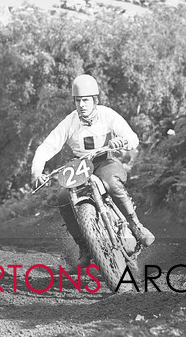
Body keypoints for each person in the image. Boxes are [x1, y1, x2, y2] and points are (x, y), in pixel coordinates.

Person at [30, 74, 155, 267]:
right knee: (63, 198)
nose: (82, 105)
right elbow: (47, 147)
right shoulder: (69, 122)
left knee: (112, 182)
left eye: (86, 100)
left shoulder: (108, 114)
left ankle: (136, 226)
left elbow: (133, 137)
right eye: (78, 101)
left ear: (95, 100)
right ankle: (85, 247)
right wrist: (37, 171)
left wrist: (122, 141)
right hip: (79, 167)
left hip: (105, 161)